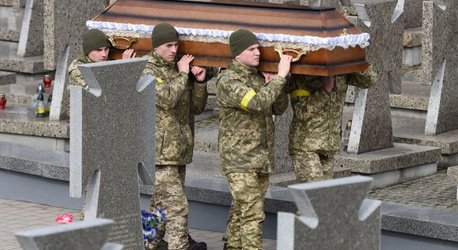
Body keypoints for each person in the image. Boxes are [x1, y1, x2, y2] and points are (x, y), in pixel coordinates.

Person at [216, 29, 292, 250]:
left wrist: (276, 83)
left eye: (258, 48)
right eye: (251, 49)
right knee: (252, 215)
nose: (257, 53)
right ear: (237, 54)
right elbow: (256, 103)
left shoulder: (258, 76)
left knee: (242, 212)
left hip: (260, 158)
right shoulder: (229, 80)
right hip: (240, 159)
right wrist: (279, 78)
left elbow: (279, 107)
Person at [143, 23, 209, 250]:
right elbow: (166, 99)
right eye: (168, 45)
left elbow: (197, 108)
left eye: (176, 45)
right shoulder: (147, 70)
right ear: (156, 47)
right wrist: (183, 74)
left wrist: (199, 81)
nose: (174, 49)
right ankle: (180, 246)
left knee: (160, 204)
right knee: (177, 206)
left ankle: (148, 243)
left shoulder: (177, 68)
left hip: (179, 148)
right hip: (160, 152)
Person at [287, 65, 377, 183]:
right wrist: (325, 90)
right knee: (316, 195)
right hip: (306, 146)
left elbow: (369, 80)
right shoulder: (303, 73)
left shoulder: (341, 72)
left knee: (323, 198)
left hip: (329, 145)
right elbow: (302, 113)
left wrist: (356, 58)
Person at [66, 28, 134, 117]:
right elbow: (101, 95)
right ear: (88, 51)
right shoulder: (77, 69)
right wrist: (123, 69)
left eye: (106, 49)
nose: (104, 54)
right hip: (85, 116)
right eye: (98, 50)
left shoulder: (104, 62)